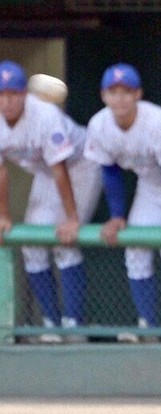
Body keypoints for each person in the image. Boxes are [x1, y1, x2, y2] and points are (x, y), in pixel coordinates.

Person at [85, 63, 161, 343]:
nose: (120, 98)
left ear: (138, 93)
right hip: (150, 184)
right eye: (113, 92)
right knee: (135, 251)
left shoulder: (158, 119)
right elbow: (110, 171)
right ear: (104, 95)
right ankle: (146, 324)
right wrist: (116, 215)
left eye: (126, 91)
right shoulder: (99, 125)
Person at [0, 60, 102, 342]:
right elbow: (1, 172)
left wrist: (71, 218)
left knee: (64, 241)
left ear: (24, 94)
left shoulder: (45, 115)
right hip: (46, 171)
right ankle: (51, 323)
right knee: (32, 246)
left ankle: (74, 324)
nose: (7, 101)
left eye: (13, 94)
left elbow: (61, 171)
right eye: (1, 94)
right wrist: (3, 215)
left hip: (81, 166)